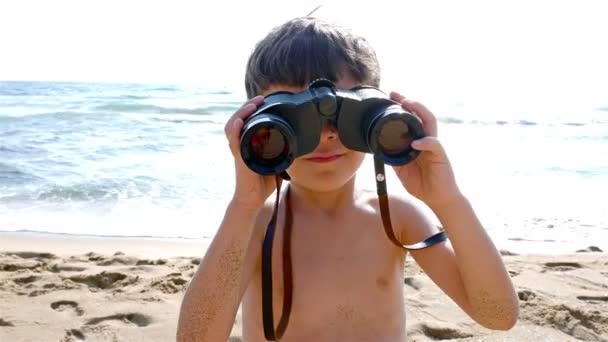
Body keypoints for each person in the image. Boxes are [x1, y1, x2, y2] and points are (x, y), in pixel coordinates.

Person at [177, 16, 518, 342]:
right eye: (296, 118)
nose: (326, 134)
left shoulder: (398, 218)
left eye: (343, 112)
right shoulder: (256, 225)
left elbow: (498, 315)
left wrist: (447, 200)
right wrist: (243, 204)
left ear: (373, 112)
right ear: (257, 124)